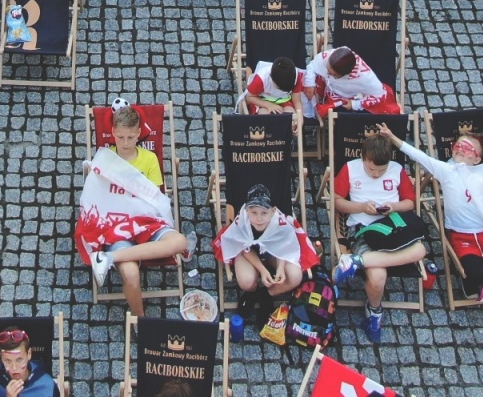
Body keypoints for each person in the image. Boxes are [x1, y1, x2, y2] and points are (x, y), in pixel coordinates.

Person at [376, 123, 483, 307]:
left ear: (477, 159)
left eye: (468, 148)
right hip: (463, 236)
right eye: (458, 145)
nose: (461, 149)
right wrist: (392, 137)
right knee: (476, 273)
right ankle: (474, 283)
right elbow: (418, 155)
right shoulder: (447, 171)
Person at [77, 104, 192, 316]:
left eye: (130, 137)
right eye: (120, 137)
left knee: (180, 242)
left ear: (139, 133)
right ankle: (141, 321)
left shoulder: (149, 159)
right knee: (130, 274)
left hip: (145, 221)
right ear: (113, 132)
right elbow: (95, 199)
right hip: (116, 225)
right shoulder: (104, 159)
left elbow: (155, 197)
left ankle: (108, 259)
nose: (125, 143)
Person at [329, 131, 427, 344]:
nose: (375, 174)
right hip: (364, 229)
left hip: (392, 225)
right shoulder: (351, 169)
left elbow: (410, 203)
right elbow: (336, 201)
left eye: (380, 171)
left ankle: (356, 262)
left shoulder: (397, 171)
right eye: (371, 169)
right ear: (364, 158)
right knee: (378, 277)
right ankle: (374, 311)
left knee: (421, 250)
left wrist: (393, 207)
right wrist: (361, 207)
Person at [215, 183, 319, 308]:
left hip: (273, 253)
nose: (258, 218)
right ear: (246, 210)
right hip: (248, 254)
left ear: (273, 211)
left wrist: (281, 267)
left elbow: (284, 245)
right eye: (254, 212)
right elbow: (244, 248)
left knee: (295, 276)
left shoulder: (280, 222)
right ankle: (253, 292)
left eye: (264, 213)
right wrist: (262, 270)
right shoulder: (242, 221)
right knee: (246, 282)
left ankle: (265, 294)